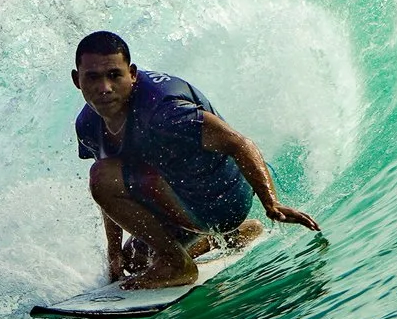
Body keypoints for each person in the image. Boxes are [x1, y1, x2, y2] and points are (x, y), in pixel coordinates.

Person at [72, 30, 320, 289]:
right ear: (77, 80)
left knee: (102, 175)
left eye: (114, 75)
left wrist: (272, 204)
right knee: (134, 261)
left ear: (132, 74)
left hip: (221, 199)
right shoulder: (88, 124)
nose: (105, 88)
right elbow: (110, 195)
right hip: (178, 197)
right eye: (93, 78)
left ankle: (178, 264)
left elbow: (239, 143)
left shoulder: (165, 111)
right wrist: (114, 252)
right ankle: (232, 236)